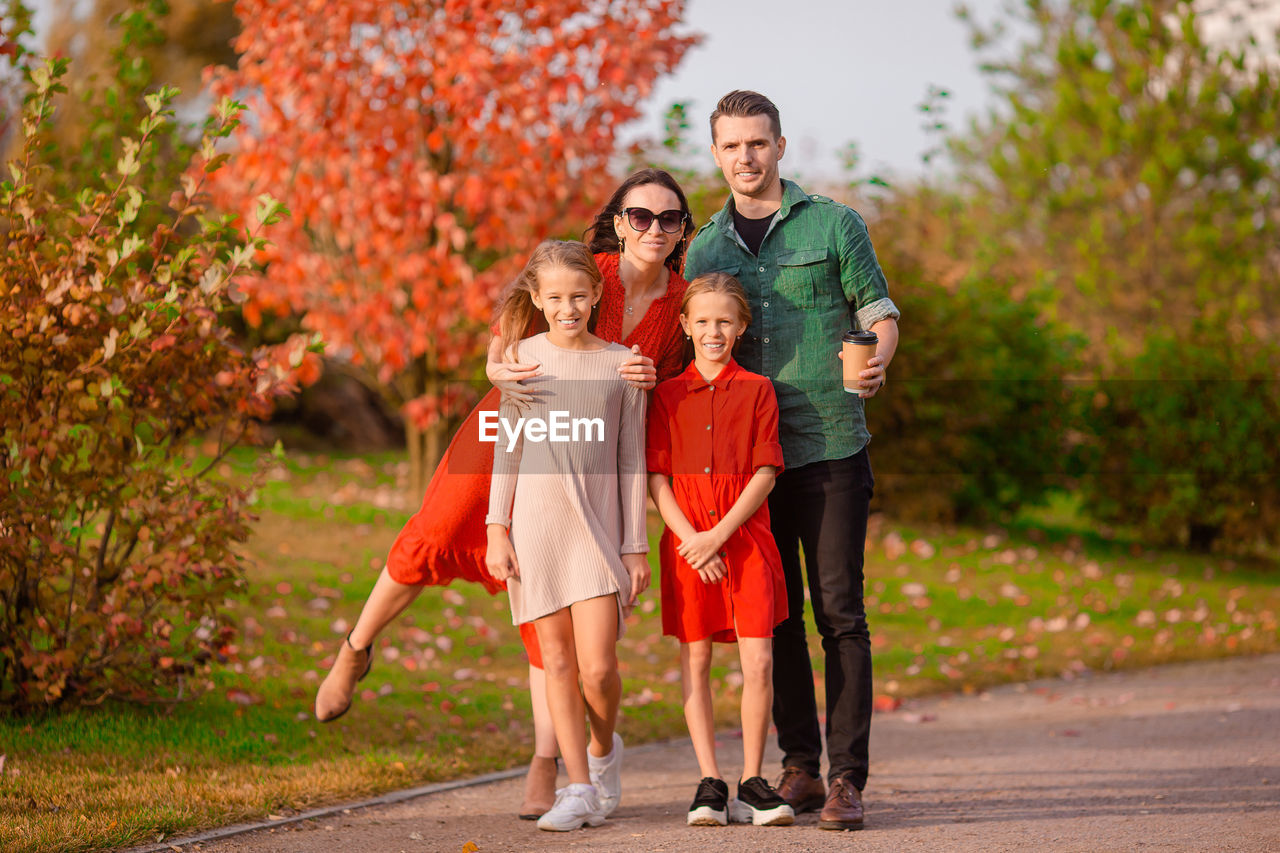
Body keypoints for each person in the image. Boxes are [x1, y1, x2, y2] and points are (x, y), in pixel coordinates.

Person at [313, 169, 694, 819]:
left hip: (591, 439)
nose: (653, 229)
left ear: (684, 228)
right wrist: (497, 369)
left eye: (669, 219)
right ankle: (356, 647)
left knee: (555, 604)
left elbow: (676, 387)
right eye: (640, 216)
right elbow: (505, 341)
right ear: (619, 219)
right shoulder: (583, 268)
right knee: (436, 529)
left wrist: (652, 381)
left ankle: (549, 758)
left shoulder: (681, 301)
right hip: (515, 411)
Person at [684, 91, 901, 831]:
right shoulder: (705, 250)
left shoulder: (834, 223)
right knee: (772, 617)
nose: (745, 156)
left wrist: (876, 364)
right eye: (732, 145)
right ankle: (799, 768)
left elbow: (878, 311)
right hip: (746, 467)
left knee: (841, 612)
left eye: (757, 142)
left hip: (831, 441)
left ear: (780, 145)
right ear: (716, 153)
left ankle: (846, 778)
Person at [483, 239, 649, 832]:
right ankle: (577, 787)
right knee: (555, 661)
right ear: (537, 298)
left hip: (597, 531)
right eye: (554, 297)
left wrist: (636, 546)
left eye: (579, 296)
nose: (568, 307)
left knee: (599, 670)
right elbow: (507, 450)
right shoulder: (520, 360)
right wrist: (495, 528)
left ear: (598, 294)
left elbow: (633, 460)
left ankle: (604, 754)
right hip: (534, 529)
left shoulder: (621, 364)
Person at [646, 272, 794, 828]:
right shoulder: (664, 395)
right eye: (703, 321)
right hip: (687, 548)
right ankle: (709, 782)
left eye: (725, 321)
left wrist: (718, 536)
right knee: (697, 658)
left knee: (758, 660)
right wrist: (692, 539)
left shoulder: (758, 390)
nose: (714, 331)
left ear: (741, 327)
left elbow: (765, 471)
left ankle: (753, 782)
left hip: (745, 541)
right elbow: (657, 478)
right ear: (684, 325)